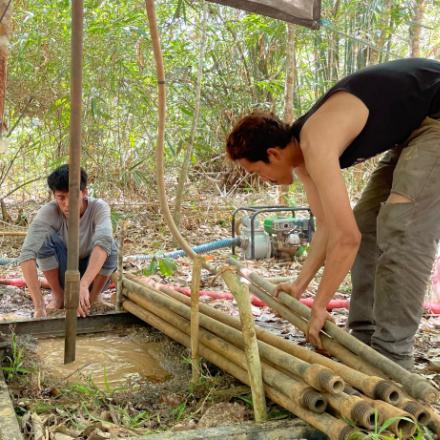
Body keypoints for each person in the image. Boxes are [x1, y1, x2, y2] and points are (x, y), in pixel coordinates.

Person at [226, 58, 440, 369]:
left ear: (272, 154)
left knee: (402, 226)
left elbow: (346, 239)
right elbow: (327, 227)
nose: (263, 180)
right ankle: (364, 337)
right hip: (415, 128)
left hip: (435, 120)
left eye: (257, 171)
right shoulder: (302, 158)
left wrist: (321, 305)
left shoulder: (316, 141)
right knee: (367, 223)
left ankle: (392, 357)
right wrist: (300, 286)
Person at [19, 164, 117, 318]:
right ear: (54, 196)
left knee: (110, 244)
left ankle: (92, 298)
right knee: (43, 239)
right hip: (64, 272)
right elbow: (26, 255)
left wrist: (83, 285)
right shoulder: (49, 212)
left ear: (84, 192)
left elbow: (104, 242)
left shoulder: (99, 207)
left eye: (72, 196)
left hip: (93, 274)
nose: (66, 203)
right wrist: (39, 305)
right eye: (61, 198)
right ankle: (59, 295)